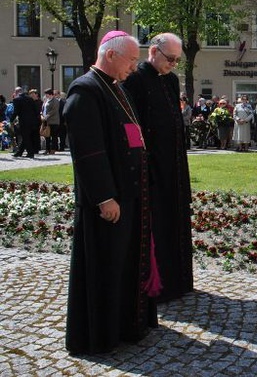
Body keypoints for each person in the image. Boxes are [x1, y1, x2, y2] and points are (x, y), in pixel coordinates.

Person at [64, 30, 159, 355]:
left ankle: (126, 325)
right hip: (108, 202)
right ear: (111, 55)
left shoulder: (116, 89)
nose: (134, 66)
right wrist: (104, 196)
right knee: (106, 267)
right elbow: (89, 152)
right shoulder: (87, 91)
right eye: (131, 60)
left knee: (126, 265)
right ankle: (101, 335)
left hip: (129, 197)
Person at [123, 32, 194, 303]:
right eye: (170, 59)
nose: (173, 64)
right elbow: (132, 126)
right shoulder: (136, 80)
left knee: (176, 219)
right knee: (157, 223)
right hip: (151, 166)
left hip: (174, 165)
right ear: (153, 51)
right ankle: (159, 285)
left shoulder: (172, 80)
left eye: (177, 60)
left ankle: (180, 281)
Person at [11, 86, 41, 158]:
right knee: (26, 137)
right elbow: (36, 110)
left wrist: (11, 120)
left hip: (24, 122)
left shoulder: (16, 100)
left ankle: (30, 153)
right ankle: (19, 152)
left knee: (26, 137)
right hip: (32, 121)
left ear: (17, 93)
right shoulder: (30, 99)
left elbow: (16, 112)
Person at [41, 88, 60, 154]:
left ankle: (53, 149)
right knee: (47, 135)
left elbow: (54, 110)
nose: (46, 96)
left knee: (54, 136)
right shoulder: (46, 100)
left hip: (53, 121)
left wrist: (46, 116)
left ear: (50, 94)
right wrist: (42, 114)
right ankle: (47, 149)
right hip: (46, 121)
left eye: (47, 94)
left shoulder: (55, 101)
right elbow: (44, 108)